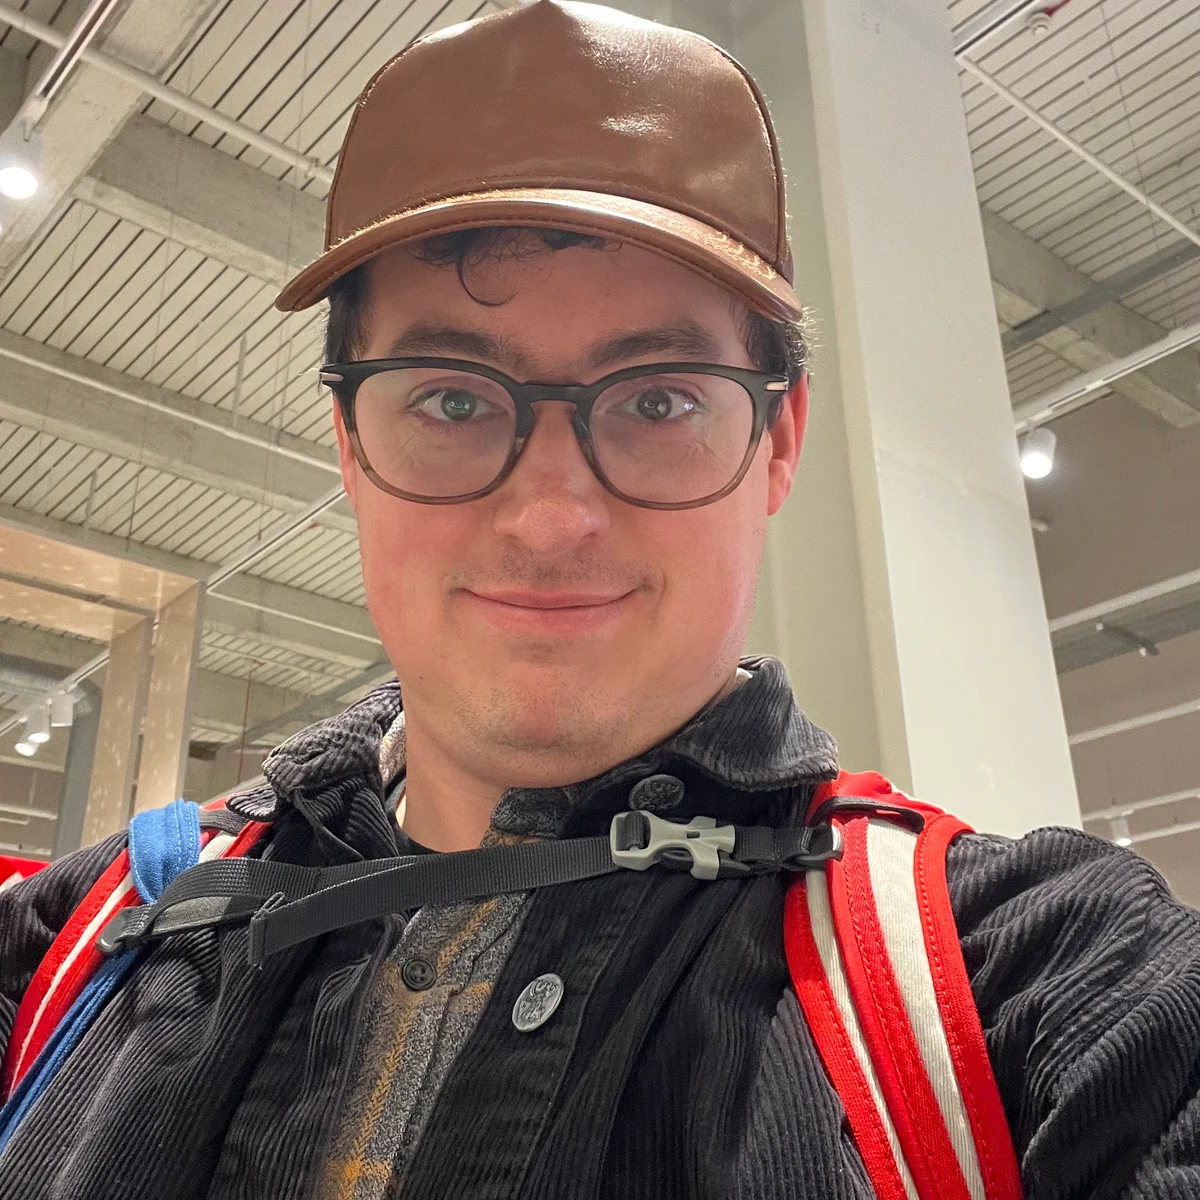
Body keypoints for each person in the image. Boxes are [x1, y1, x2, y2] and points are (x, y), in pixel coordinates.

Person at [2, 3, 1199, 1198]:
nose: (549, 518)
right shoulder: (76, 945)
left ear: (779, 439)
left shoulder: (1031, 982)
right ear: (350, 443)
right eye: (453, 400)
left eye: (659, 399)